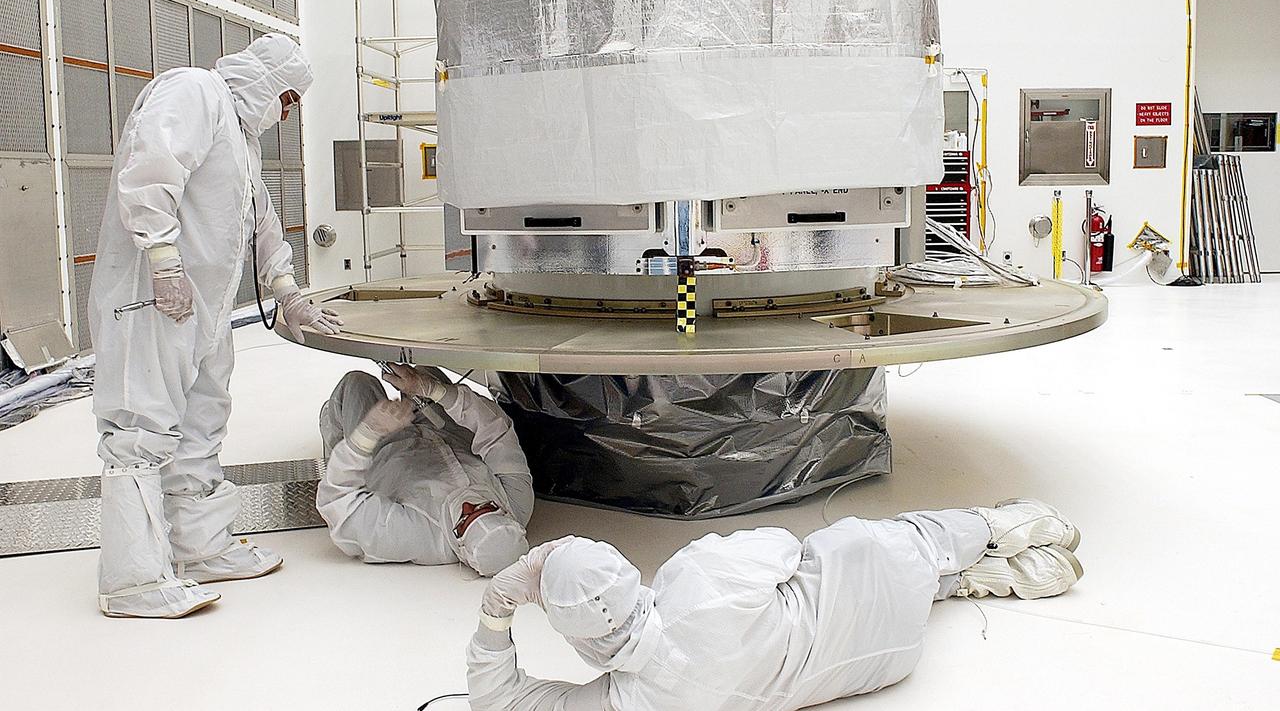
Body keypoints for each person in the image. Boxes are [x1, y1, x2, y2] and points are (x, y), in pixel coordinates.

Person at [92, 35, 342, 619]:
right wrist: (162, 260)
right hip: (153, 300)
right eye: (285, 98)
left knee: (202, 422)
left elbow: (261, 222)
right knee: (143, 427)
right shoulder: (194, 91)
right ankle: (132, 582)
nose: (285, 113)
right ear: (263, 78)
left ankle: (200, 547)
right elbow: (151, 170)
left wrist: (287, 291)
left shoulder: (240, 138)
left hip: (204, 308)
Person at [468, 500, 1084, 710]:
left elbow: (498, 702)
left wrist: (498, 611)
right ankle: (1003, 527)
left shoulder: (633, 701)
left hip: (883, 662)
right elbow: (784, 548)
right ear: (627, 574)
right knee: (889, 542)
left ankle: (995, 578)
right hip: (873, 579)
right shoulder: (695, 579)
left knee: (909, 590)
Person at [315, 363, 533, 576]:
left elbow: (339, 503)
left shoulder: (414, 537)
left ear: (461, 551)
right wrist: (432, 389)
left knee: (357, 382)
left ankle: (335, 429)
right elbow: (496, 432)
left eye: (463, 520)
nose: (468, 505)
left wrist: (367, 435)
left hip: (387, 450)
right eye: (485, 507)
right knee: (426, 371)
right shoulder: (517, 502)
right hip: (446, 432)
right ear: (507, 515)